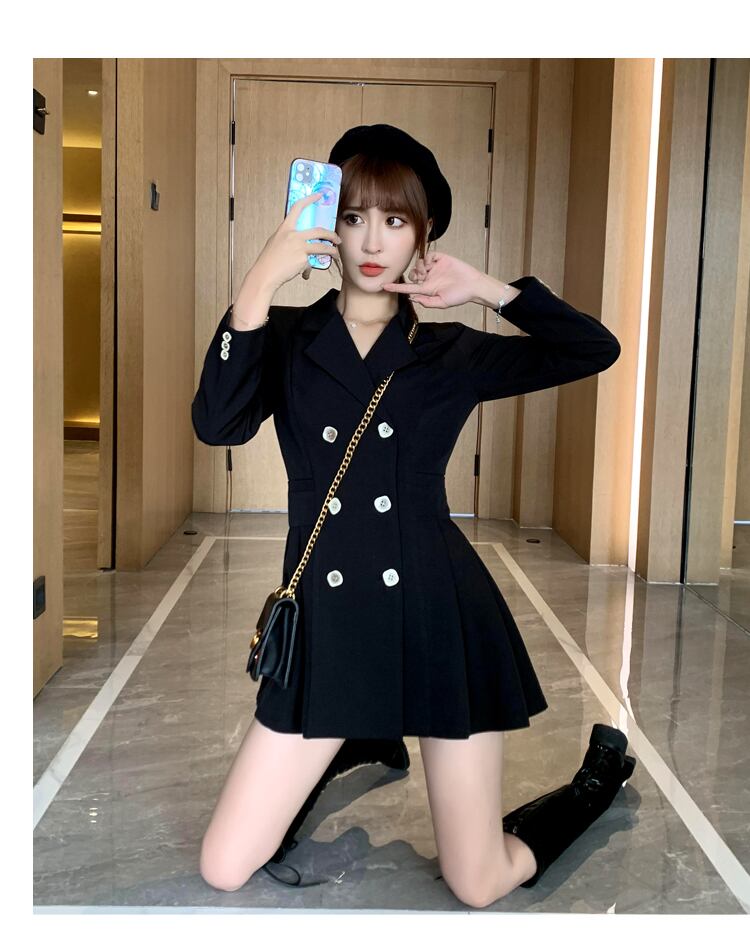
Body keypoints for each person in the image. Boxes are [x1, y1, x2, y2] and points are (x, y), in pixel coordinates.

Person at [192, 124, 636, 906]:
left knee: (478, 881)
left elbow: (592, 349)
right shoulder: (286, 336)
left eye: (395, 220)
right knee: (223, 866)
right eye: (354, 216)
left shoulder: (449, 350)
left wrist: (488, 289)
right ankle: (361, 733)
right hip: (327, 626)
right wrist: (259, 282)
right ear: (328, 224)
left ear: (422, 235)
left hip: (436, 615)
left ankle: (592, 785)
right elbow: (218, 425)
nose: (373, 240)